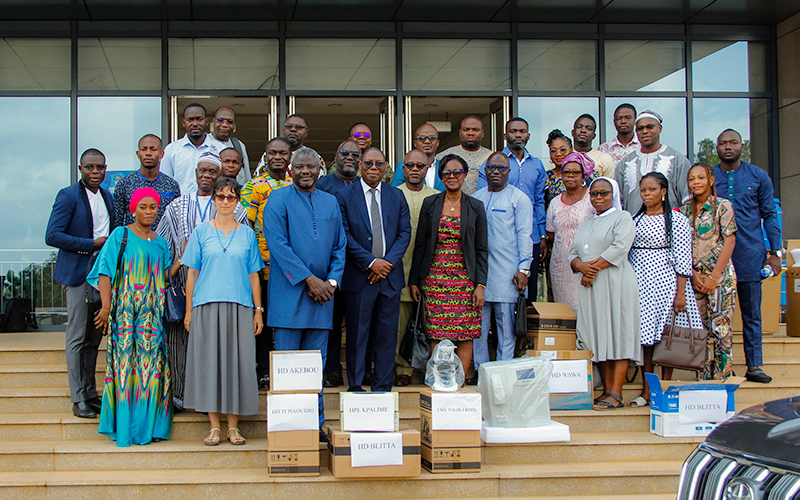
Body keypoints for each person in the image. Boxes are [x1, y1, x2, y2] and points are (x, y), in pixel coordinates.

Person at [264, 146, 346, 440]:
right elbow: (278, 246)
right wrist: (311, 280)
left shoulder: (330, 202)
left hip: (322, 299)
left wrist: (331, 284)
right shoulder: (277, 199)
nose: (306, 172)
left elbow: (340, 246)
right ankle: (286, 426)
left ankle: (315, 422)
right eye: (300, 167)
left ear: (320, 169)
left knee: (315, 367)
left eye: (311, 167)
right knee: (286, 367)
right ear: (291, 169)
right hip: (289, 296)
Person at [156, 151, 249, 411]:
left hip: (221, 281)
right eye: (202, 171)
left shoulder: (235, 207)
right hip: (183, 276)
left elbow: (244, 247)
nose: (206, 175)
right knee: (179, 338)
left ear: (220, 175)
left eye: (212, 171)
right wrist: (169, 271)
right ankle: (180, 396)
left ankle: (215, 399)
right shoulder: (176, 206)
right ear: (195, 173)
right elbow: (163, 244)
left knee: (217, 340)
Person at [88, 187, 178, 446]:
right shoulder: (121, 235)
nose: (149, 211)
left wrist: (181, 262)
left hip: (152, 319)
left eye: (153, 207)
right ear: (134, 208)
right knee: (126, 369)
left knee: (151, 371)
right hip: (126, 316)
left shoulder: (160, 243)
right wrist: (106, 308)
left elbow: (162, 278)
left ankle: (148, 429)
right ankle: (126, 429)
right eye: (143, 207)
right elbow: (105, 271)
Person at [182, 177, 264, 446]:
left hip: (240, 306)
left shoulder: (247, 234)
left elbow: (254, 275)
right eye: (220, 196)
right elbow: (192, 273)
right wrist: (189, 310)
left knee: (237, 364)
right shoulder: (201, 232)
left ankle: (233, 427)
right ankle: (214, 427)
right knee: (210, 365)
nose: (225, 201)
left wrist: (258, 310)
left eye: (231, 196)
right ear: (214, 199)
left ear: (237, 200)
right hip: (206, 305)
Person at [45, 148, 115, 419]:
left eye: (99, 168)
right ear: (80, 169)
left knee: (93, 338)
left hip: (101, 277)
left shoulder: (107, 196)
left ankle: (89, 393)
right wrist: (90, 245)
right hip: (76, 275)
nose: (95, 172)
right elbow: (52, 235)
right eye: (90, 167)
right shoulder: (68, 195)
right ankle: (78, 399)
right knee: (77, 336)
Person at [337, 147, 411, 392]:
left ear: (386, 167)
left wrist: (386, 264)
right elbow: (344, 235)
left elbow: (404, 233)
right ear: (360, 165)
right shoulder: (344, 196)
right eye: (368, 163)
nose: (373, 168)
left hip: (389, 278)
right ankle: (356, 387)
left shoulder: (396, 195)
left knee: (387, 337)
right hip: (360, 277)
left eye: (379, 164)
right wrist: (371, 262)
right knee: (358, 336)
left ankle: (382, 387)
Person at [628, 172, 704, 408]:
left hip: (667, 284)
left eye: (652, 189)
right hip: (640, 283)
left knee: (666, 337)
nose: (647, 194)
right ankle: (647, 389)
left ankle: (664, 388)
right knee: (645, 340)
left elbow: (683, 258)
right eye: (643, 190)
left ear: (663, 191)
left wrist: (681, 294)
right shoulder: (635, 220)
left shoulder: (676, 219)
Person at [409, 155, 488, 380]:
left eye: (457, 172)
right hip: (434, 279)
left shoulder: (475, 206)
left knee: (465, 334)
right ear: (441, 176)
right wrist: (415, 280)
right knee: (436, 333)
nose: (452, 176)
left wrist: (480, 284)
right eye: (447, 173)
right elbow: (421, 244)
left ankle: (459, 382)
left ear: (464, 175)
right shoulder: (431, 204)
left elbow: (482, 249)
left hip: (466, 280)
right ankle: (440, 381)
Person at [714, 129, 781, 384]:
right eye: (723, 143)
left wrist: (774, 252)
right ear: (718, 147)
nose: (728, 147)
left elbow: (770, 215)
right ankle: (721, 365)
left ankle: (754, 366)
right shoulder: (710, 177)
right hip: (717, 257)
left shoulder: (758, 176)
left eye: (733, 143)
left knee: (751, 312)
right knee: (718, 313)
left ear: (742, 146)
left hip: (750, 254)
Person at [569, 177, 640, 410]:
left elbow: (620, 247)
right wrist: (581, 267)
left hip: (615, 282)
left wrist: (592, 269)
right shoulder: (585, 224)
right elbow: (572, 253)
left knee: (617, 335)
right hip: (591, 287)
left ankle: (616, 393)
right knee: (599, 336)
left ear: (614, 194)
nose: (599, 198)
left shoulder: (623, 218)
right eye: (594, 194)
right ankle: (606, 391)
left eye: (604, 193)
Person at [240, 137, 293, 389]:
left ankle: (285, 370)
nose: (278, 157)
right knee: (262, 319)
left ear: (290, 157)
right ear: (266, 156)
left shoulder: (297, 184)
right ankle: (263, 370)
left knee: (283, 320)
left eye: (283, 153)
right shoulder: (254, 186)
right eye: (273, 153)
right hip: (261, 265)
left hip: (290, 268)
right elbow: (246, 224)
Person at [472, 152, 532, 372]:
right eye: (491, 167)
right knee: (477, 328)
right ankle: (481, 372)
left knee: (506, 329)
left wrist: (523, 269)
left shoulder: (519, 199)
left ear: (509, 172)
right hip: (479, 276)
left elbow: (525, 235)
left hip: (507, 274)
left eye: (502, 168)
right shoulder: (476, 197)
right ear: (485, 170)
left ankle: (502, 373)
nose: (496, 172)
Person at [478, 117, 547, 306]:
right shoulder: (493, 163)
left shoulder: (537, 165)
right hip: (499, 237)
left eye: (522, 131)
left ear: (528, 135)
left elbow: (539, 200)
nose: (518, 135)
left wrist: (542, 236)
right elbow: (483, 202)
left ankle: (522, 335)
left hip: (529, 235)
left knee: (525, 295)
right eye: (513, 131)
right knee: (494, 292)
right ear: (505, 135)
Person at [680, 162, 738, 380]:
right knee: (699, 331)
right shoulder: (684, 210)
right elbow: (681, 246)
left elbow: (729, 242)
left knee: (721, 329)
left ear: (711, 181)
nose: (696, 182)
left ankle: (723, 378)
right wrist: (693, 275)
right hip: (694, 279)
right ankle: (702, 380)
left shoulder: (722, 207)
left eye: (701, 178)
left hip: (720, 279)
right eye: (692, 179)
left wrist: (714, 277)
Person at [317, 140, 361, 388]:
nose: (350, 157)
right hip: (330, 267)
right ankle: (332, 369)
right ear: (336, 156)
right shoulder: (323, 185)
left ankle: (359, 370)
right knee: (331, 323)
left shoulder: (365, 184)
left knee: (356, 324)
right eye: (345, 153)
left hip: (358, 268)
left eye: (355, 154)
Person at [394, 149, 440, 386]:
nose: (414, 169)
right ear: (403, 169)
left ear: (427, 169)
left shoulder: (437, 197)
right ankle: (403, 367)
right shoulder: (393, 195)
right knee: (400, 325)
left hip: (429, 272)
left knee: (430, 324)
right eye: (410, 165)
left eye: (420, 166)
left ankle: (429, 367)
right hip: (397, 271)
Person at [545, 152, 595, 313]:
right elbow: (551, 234)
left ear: (584, 176)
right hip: (560, 265)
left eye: (576, 172)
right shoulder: (555, 202)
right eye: (566, 172)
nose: (570, 176)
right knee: (565, 313)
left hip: (587, 264)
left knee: (587, 311)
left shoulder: (592, 199)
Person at [614, 110, 690, 215]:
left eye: (650, 127)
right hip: (633, 226)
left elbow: (688, 199)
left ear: (659, 129)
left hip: (669, 226)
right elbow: (618, 202)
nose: (644, 131)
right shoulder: (626, 163)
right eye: (640, 128)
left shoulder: (677, 160)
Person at [113, 134, 181, 228]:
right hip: (133, 241)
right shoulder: (125, 184)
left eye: (153, 149)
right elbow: (117, 222)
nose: (148, 153)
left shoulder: (171, 185)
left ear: (162, 154)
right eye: (144, 149)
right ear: (138, 154)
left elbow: (177, 221)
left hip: (164, 241)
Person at [161, 103, 216, 194]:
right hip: (180, 206)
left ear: (206, 122)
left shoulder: (219, 149)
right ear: (183, 123)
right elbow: (166, 184)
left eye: (199, 119)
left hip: (213, 205)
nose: (195, 124)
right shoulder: (171, 150)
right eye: (190, 120)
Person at [435, 115, 492, 195]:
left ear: (482, 133)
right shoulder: (444, 156)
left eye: (475, 130)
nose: (470, 133)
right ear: (460, 133)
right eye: (466, 129)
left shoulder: (491, 157)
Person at [255, 114, 325, 177]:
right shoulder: (269, 155)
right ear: (283, 130)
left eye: (299, 127)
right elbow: (257, 180)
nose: (293, 129)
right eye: (289, 126)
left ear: (306, 133)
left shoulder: (314, 157)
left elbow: (320, 184)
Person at [545, 129, 596, 207]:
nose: (558, 154)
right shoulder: (546, 177)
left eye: (563, 150)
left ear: (571, 150)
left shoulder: (586, 172)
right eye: (554, 151)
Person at [391, 124, 446, 191]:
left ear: (437, 143)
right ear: (415, 143)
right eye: (422, 138)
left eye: (432, 138)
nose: (427, 141)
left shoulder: (445, 167)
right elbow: (394, 193)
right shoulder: (403, 167)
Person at [207, 106, 252, 187]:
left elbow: (247, 178)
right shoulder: (205, 144)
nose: (224, 125)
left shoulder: (238, 145)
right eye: (220, 120)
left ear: (234, 125)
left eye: (229, 122)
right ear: (213, 121)